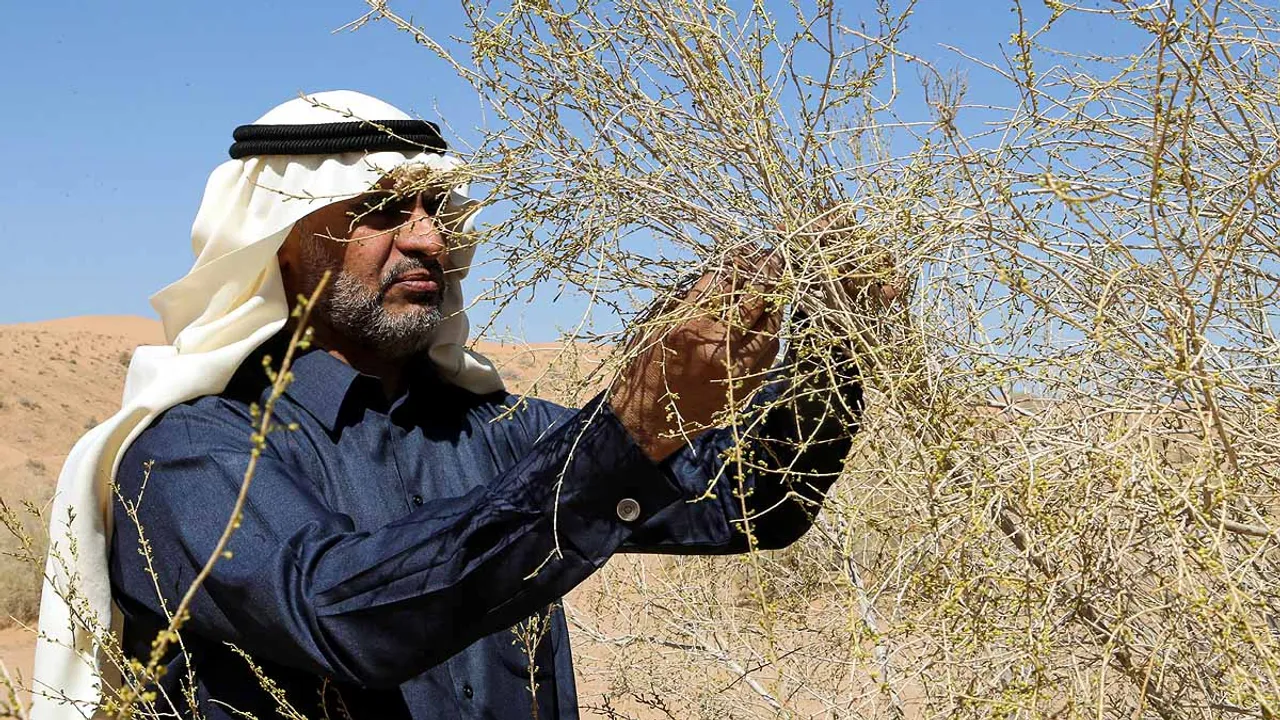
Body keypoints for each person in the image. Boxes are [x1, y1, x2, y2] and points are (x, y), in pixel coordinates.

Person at [32, 91, 873, 720]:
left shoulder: (500, 431)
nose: (430, 237)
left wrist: (846, 340)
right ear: (278, 247)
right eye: (380, 211)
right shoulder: (191, 454)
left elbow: (753, 504)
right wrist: (629, 428)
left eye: (437, 209)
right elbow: (340, 617)